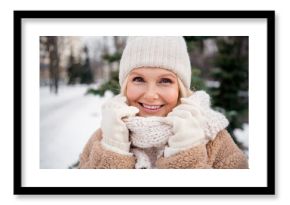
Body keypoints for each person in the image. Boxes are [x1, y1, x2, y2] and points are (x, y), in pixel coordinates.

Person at [78, 36, 248, 169]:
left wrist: (186, 151)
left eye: (165, 81)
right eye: (138, 79)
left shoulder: (212, 137)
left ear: (180, 87)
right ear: (125, 85)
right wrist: (113, 148)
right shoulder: (105, 136)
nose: (151, 95)